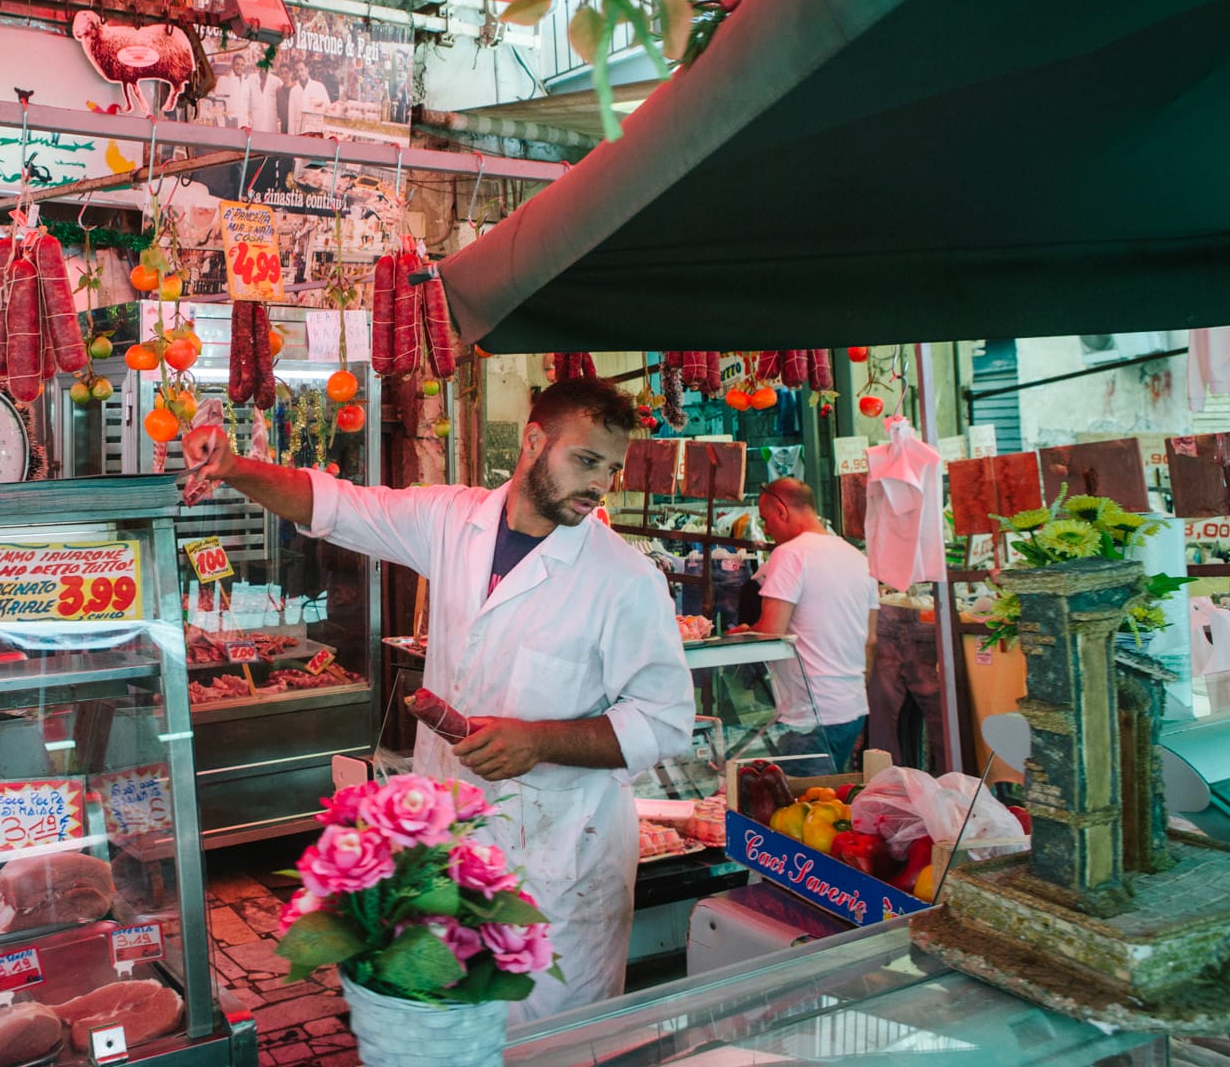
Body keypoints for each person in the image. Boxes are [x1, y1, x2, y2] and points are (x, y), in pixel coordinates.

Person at [181, 377, 693, 1021]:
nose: (599, 485)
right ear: (533, 441)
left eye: (610, 469)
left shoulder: (624, 580)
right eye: (585, 461)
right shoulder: (456, 519)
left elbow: (664, 722)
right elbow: (339, 505)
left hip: (559, 861)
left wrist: (540, 740)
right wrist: (232, 468)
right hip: (449, 843)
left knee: (549, 1040)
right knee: (446, 1025)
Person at [740, 478, 878, 772]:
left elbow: (771, 633)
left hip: (809, 716)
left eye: (765, 520)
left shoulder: (790, 554)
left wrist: (744, 634)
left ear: (781, 509)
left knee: (801, 810)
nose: (766, 529)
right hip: (851, 710)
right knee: (825, 804)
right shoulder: (859, 559)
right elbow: (871, 642)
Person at [283, 56, 331, 134]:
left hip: (316, 130)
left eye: (302, 70)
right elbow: (291, 117)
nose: (300, 73)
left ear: (307, 69)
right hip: (299, 131)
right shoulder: (294, 90)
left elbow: (328, 109)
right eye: (297, 71)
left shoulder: (319, 87)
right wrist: (291, 136)